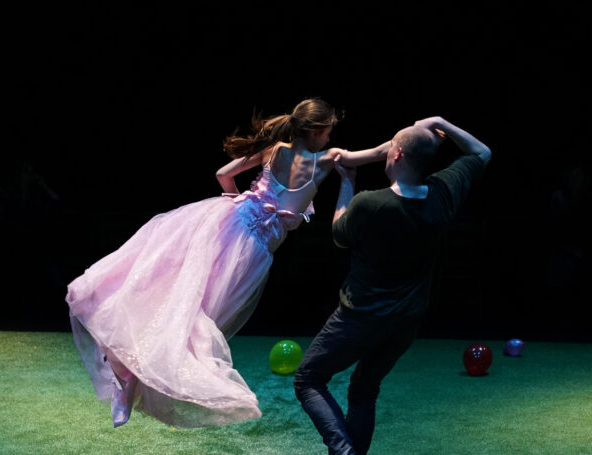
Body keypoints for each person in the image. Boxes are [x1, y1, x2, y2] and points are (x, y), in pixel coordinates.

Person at [67, 98, 390, 428]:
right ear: (317, 132)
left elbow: (223, 173)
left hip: (224, 224)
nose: (329, 138)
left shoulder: (275, 149)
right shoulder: (327, 160)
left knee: (178, 300)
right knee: (192, 313)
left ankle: (127, 379)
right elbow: (378, 153)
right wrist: (418, 131)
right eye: (328, 132)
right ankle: (129, 381)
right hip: (250, 251)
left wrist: (233, 197)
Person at [294, 116, 491, 455]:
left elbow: (338, 234)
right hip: (407, 322)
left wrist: (347, 183)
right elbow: (482, 152)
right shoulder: (444, 192)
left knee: (309, 378)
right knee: (364, 389)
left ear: (396, 154)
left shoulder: (371, 203)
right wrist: (440, 123)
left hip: (360, 316)